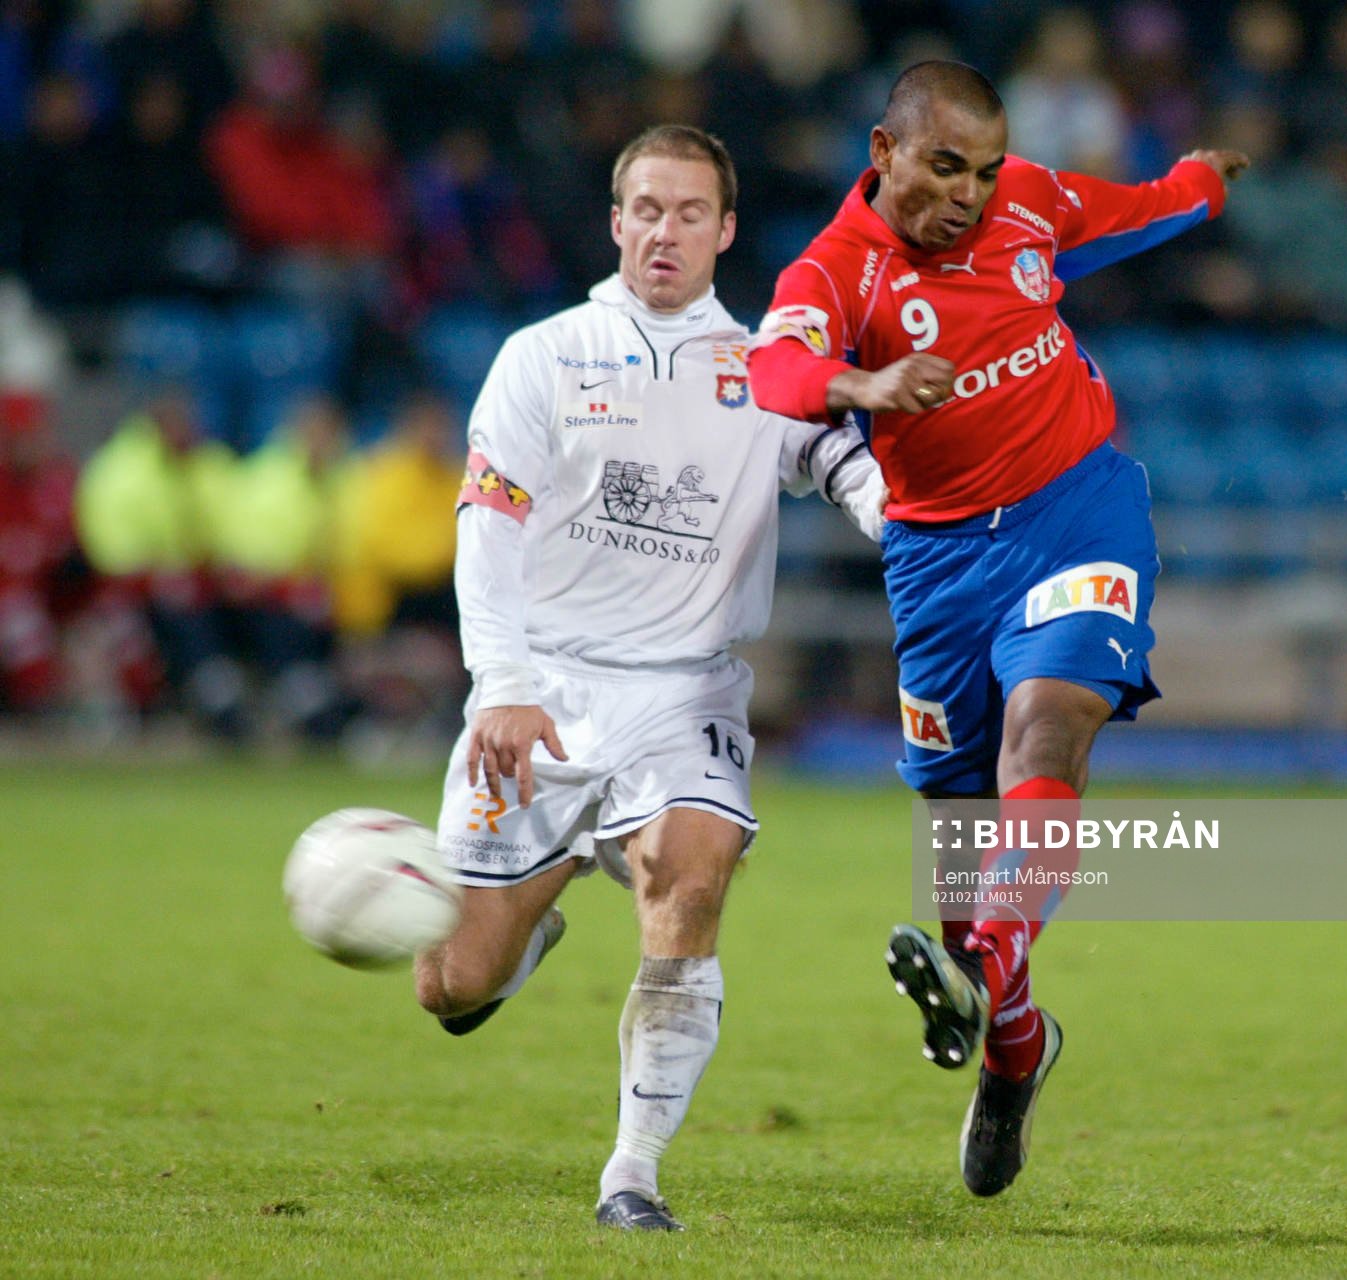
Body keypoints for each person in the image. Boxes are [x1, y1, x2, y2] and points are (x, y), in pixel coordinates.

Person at [748, 61, 1248, 1198]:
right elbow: (774, 368)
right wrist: (863, 389)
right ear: (883, 152)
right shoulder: (837, 268)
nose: (969, 194)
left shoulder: (1025, 198)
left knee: (1048, 731)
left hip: (1079, 512)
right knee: (962, 869)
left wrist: (1202, 182)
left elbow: (1130, 212)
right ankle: (1015, 1041)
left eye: (981, 170)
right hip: (936, 565)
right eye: (944, 167)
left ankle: (989, 976)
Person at [411, 124, 884, 1232]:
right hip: (542, 689)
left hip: (684, 690)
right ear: (616, 221)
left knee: (691, 874)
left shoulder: (764, 369)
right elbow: (487, 522)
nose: (665, 231)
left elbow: (850, 472)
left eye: (689, 213)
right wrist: (501, 683)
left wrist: (915, 526)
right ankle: (527, 926)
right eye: (647, 210)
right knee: (451, 985)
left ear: (725, 230)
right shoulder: (544, 354)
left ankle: (632, 1174)